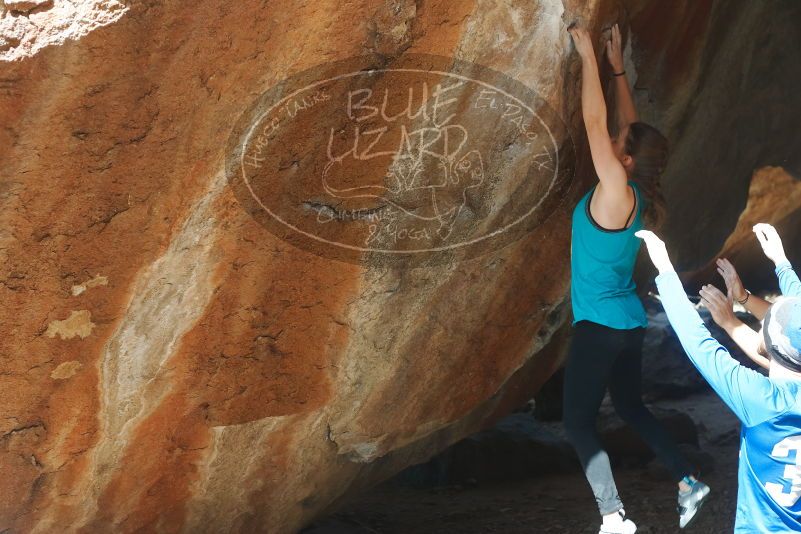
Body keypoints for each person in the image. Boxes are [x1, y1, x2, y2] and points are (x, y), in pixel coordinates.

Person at [565, 24, 709, 534]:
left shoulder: (615, 191)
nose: (610, 140)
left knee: (578, 422)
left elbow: (592, 118)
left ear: (623, 162)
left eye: (617, 145)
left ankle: (613, 516)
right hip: (626, 324)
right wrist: (618, 65)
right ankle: (687, 477)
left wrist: (587, 59)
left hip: (602, 324)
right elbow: (631, 126)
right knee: (629, 405)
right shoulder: (639, 190)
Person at [637, 224, 801, 532]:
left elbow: (698, 342)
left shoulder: (761, 401)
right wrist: (780, 262)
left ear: (769, 347)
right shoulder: (762, 396)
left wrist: (665, 270)